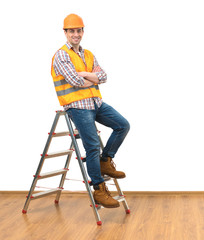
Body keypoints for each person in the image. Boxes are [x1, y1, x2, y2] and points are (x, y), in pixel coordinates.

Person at [51, 14, 130, 208]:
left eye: (78, 30)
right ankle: (99, 189)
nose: (75, 34)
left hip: (95, 103)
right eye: (72, 31)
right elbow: (74, 81)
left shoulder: (88, 54)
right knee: (93, 145)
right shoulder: (62, 54)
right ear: (65, 32)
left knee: (123, 125)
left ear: (82, 32)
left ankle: (106, 161)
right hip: (77, 106)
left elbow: (103, 76)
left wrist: (86, 75)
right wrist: (91, 78)